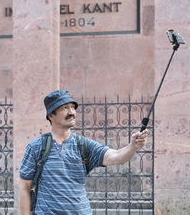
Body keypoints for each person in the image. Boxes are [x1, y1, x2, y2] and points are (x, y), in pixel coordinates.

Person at [19, 90, 148, 215]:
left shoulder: (83, 145)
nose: (71, 112)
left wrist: (133, 146)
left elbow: (116, 156)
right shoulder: (36, 147)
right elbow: (25, 187)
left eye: (72, 107)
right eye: (65, 108)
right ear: (51, 115)